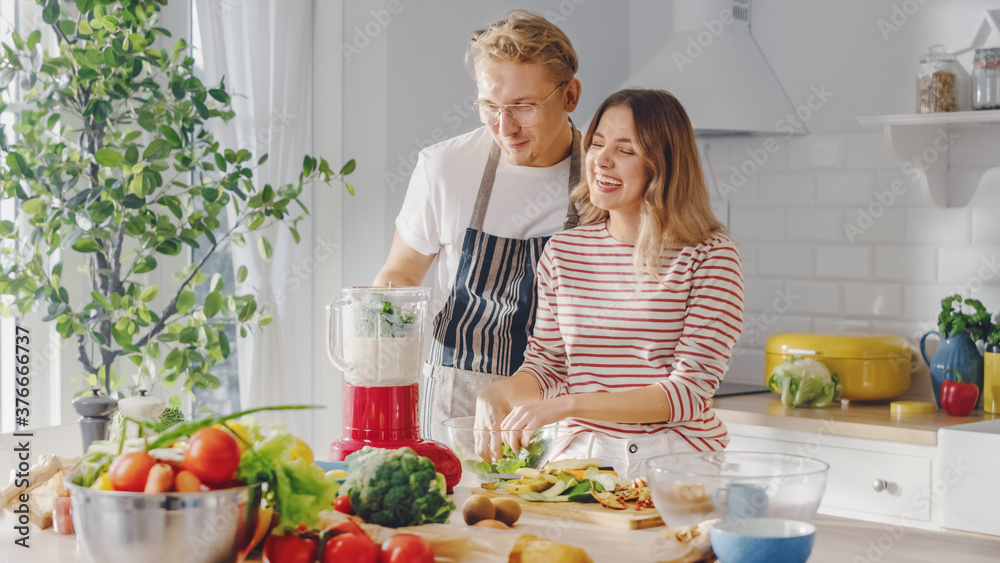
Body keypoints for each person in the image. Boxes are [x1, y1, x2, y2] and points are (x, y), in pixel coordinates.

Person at [474, 89, 745, 480]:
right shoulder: (564, 251)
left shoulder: (709, 256)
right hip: (581, 459)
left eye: (626, 149)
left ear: (663, 164)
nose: (601, 159)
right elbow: (548, 365)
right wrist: (498, 393)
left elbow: (688, 393)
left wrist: (568, 406)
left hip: (677, 459)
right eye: (597, 143)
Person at [372, 10, 583, 439]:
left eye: (523, 107)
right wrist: (379, 369)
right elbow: (400, 272)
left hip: (564, 404)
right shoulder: (445, 168)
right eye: (490, 106)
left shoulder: (604, 178)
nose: (505, 128)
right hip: (457, 402)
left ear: (570, 96)